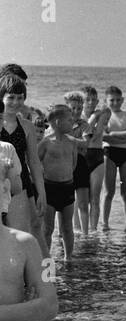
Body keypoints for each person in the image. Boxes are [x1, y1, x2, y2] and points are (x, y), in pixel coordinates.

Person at [0, 73, 45, 243]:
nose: (16, 102)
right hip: (0, 182)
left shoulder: (26, 126)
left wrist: (41, 192)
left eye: (20, 98)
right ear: (1, 97)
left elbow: (33, 161)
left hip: (20, 185)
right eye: (10, 97)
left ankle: (31, 269)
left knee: (19, 235)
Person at [37, 104, 78, 261]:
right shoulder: (46, 143)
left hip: (67, 188)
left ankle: (69, 258)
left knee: (67, 227)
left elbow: (73, 164)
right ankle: (46, 259)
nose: (72, 122)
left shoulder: (72, 142)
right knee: (48, 228)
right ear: (57, 122)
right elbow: (35, 163)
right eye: (69, 120)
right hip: (50, 189)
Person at [99, 85, 126, 230]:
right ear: (106, 100)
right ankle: (105, 223)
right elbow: (104, 137)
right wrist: (122, 137)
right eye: (112, 100)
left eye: (118, 100)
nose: (115, 103)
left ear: (122, 100)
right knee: (109, 191)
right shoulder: (104, 116)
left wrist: (113, 135)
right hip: (109, 153)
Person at [64, 90, 93, 238]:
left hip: (81, 164)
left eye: (79, 108)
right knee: (64, 203)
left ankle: (86, 234)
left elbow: (85, 144)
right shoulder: (60, 123)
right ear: (66, 107)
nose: (76, 111)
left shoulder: (85, 125)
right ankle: (64, 233)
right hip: (63, 163)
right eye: (72, 108)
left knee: (83, 202)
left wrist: (68, 139)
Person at [81, 84, 108, 231]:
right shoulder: (78, 116)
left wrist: (97, 116)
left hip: (97, 155)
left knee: (95, 198)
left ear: (97, 101)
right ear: (82, 101)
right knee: (80, 199)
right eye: (87, 100)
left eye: (93, 100)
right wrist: (94, 116)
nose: (90, 103)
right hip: (81, 157)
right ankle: (79, 230)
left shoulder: (102, 115)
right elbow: (83, 135)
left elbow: (95, 136)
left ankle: (93, 230)